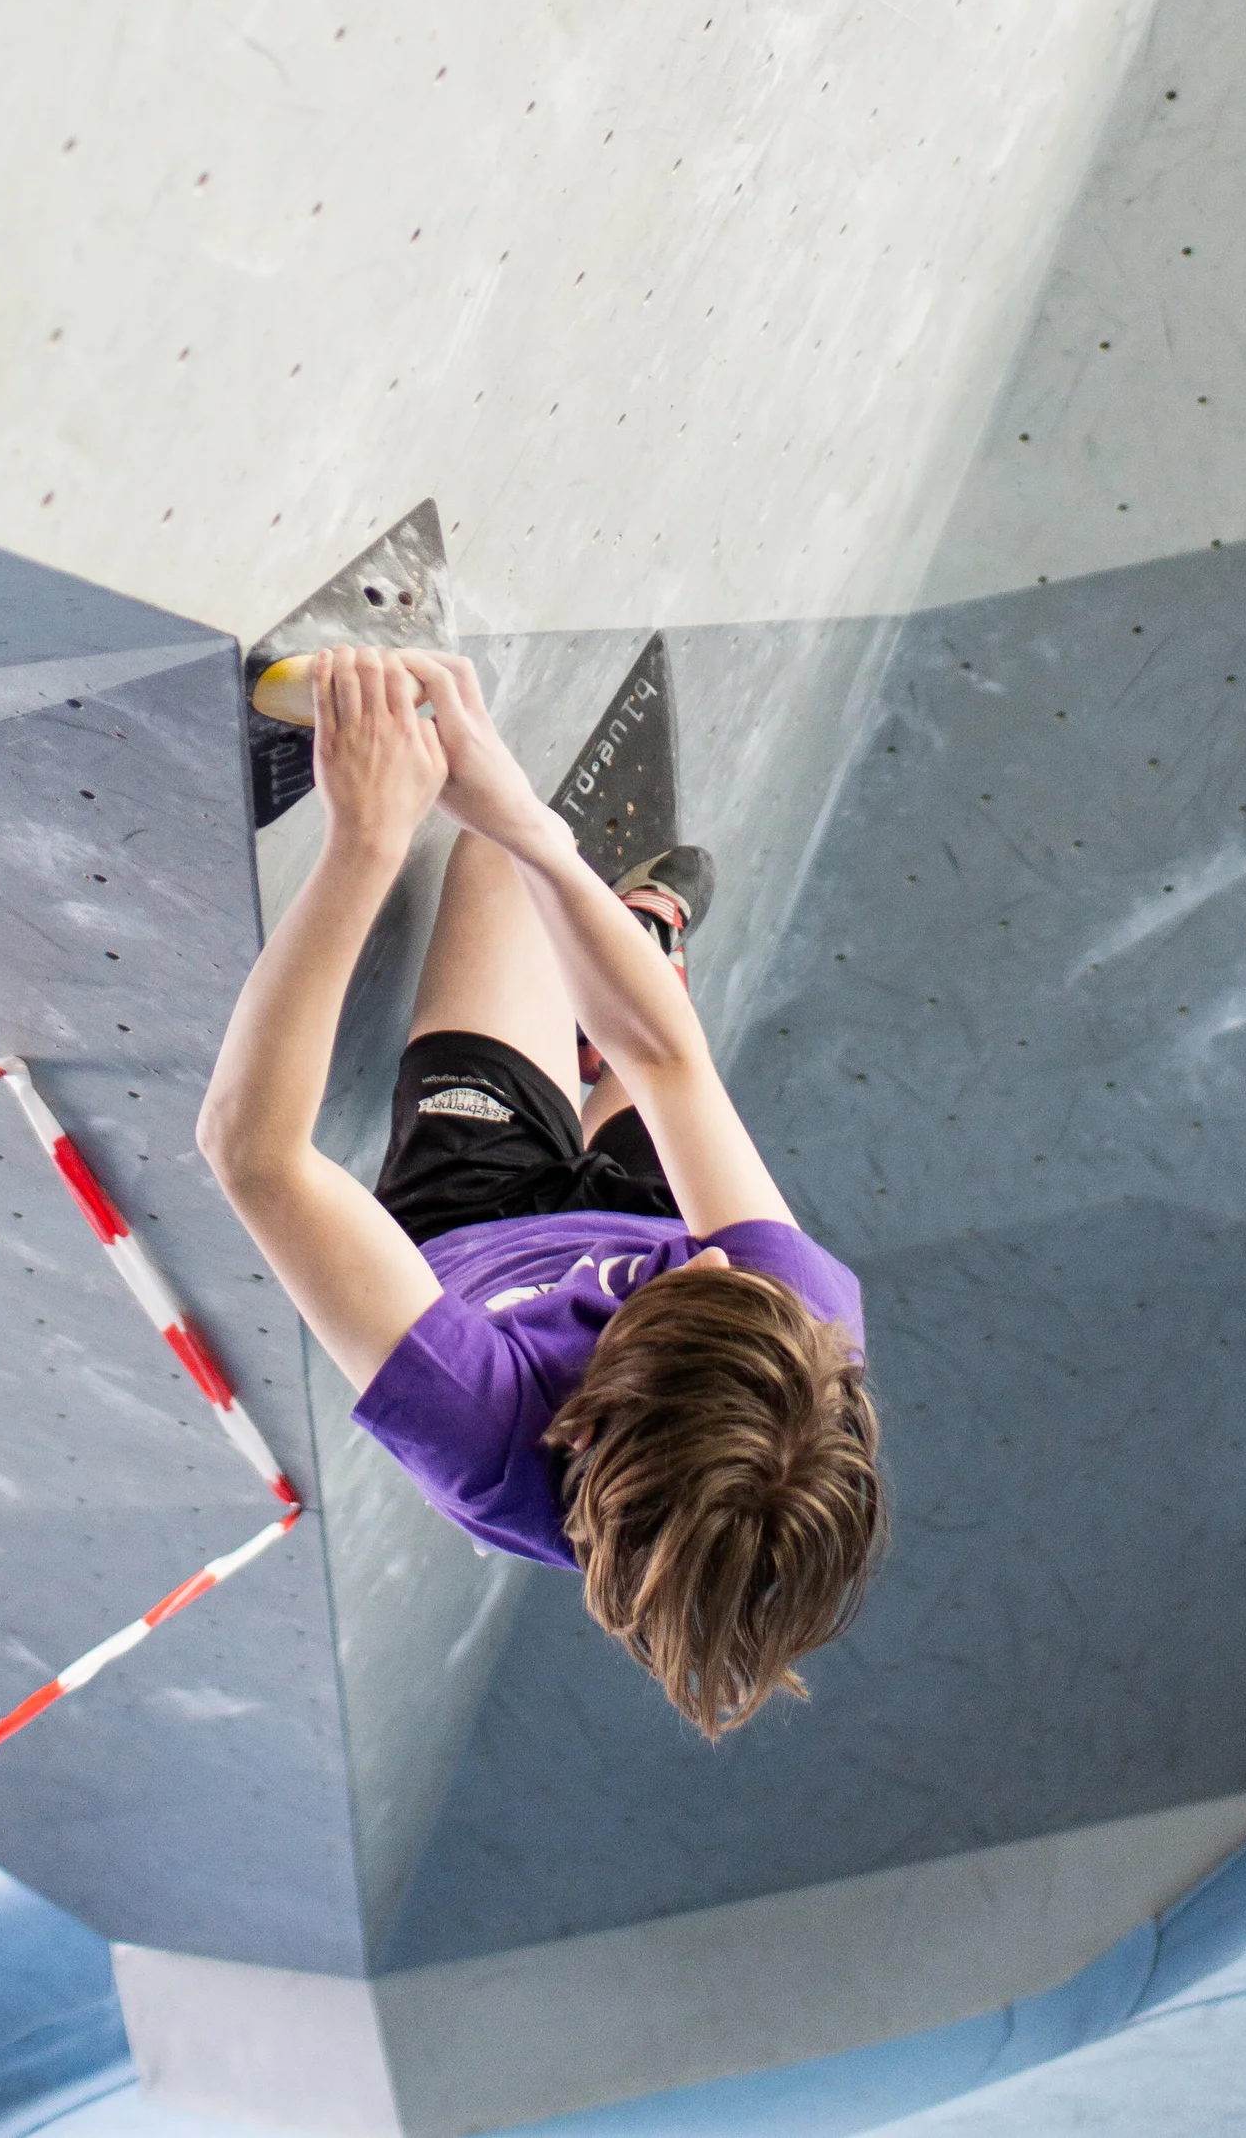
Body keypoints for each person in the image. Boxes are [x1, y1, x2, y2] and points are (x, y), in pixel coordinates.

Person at [197, 646, 883, 1736]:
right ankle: (645, 932)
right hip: (632, 1200)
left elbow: (254, 1151)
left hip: (470, 1231)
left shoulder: (480, 1427)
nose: (713, 1257)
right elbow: (667, 1062)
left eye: (689, 1289)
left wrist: (365, 842)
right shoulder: (793, 1320)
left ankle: (613, 958)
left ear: (582, 1407)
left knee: (470, 870)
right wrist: (527, 823)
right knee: (511, 862)